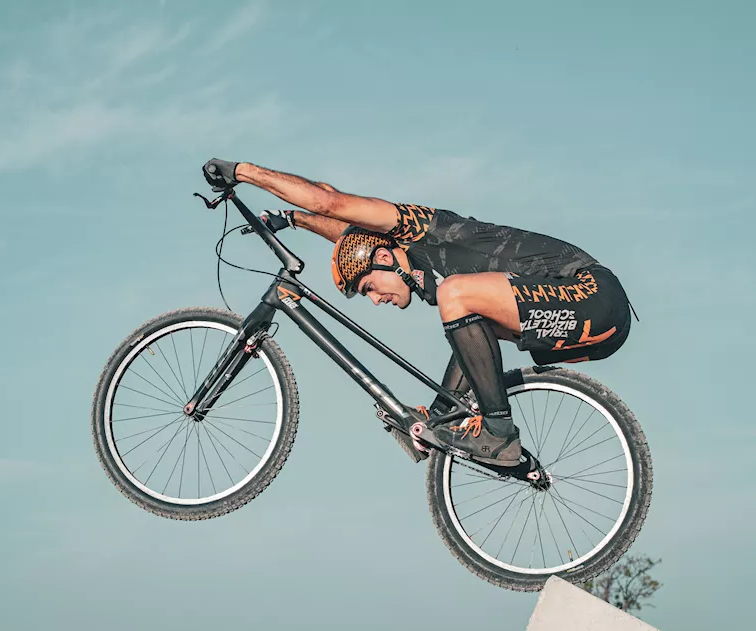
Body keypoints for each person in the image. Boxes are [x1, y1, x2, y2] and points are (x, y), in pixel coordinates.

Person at [202, 158, 635, 467]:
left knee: (456, 295)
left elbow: (331, 202)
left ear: (387, 258)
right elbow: (345, 232)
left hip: (590, 295)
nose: (374, 300)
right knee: (465, 321)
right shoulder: (418, 271)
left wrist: (242, 172)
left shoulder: (420, 228)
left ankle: (499, 431)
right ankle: (457, 420)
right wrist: (291, 220)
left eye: (368, 287)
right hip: (575, 319)